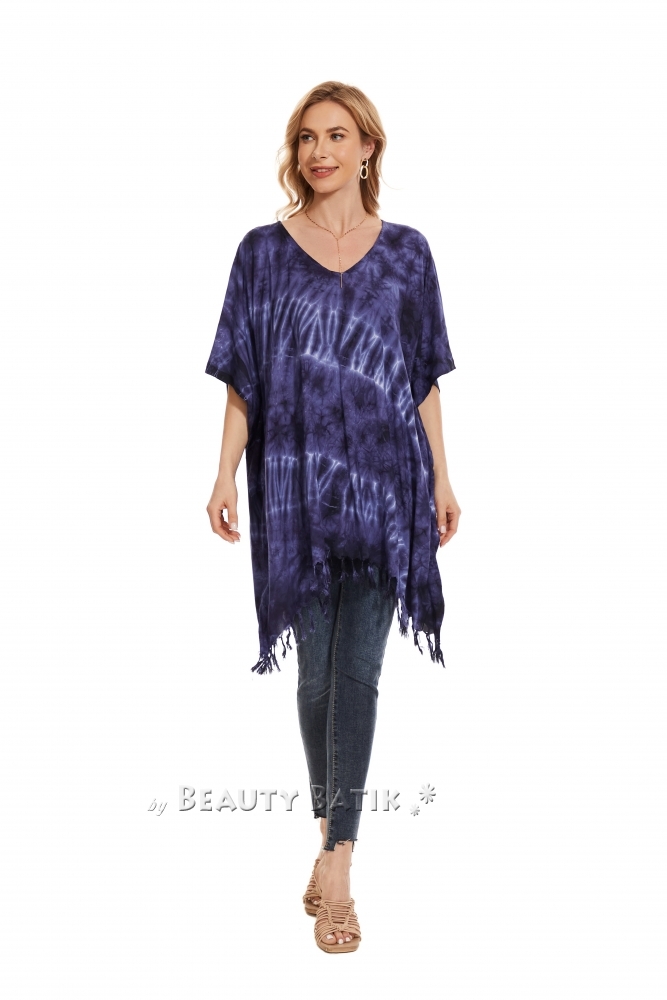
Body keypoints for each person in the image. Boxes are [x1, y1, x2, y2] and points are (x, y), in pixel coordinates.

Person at [205, 81, 461, 953]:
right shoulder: (261, 253)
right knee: (315, 681)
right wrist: (223, 471)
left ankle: (339, 863)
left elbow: (422, 376)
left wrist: (442, 478)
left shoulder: (408, 254)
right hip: (295, 493)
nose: (319, 151)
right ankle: (329, 840)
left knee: (356, 675)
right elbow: (243, 376)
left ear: (366, 148)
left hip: (388, 487)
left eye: (337, 135)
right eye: (307, 138)